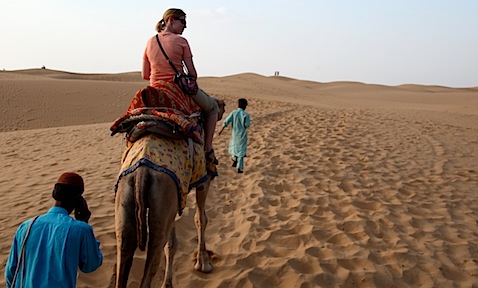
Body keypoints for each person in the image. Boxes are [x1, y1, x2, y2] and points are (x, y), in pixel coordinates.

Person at [142, 8, 219, 164]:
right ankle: (208, 149)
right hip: (176, 90)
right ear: (171, 19)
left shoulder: (150, 41)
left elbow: (145, 75)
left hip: (154, 91)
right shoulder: (181, 41)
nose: (185, 26)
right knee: (213, 108)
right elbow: (193, 74)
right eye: (182, 21)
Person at [5, 172, 103, 288]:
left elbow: (11, 272)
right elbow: (90, 265)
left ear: (54, 194)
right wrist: (84, 221)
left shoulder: (25, 226)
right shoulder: (81, 229)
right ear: (79, 200)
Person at [219, 98, 251, 173]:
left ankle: (234, 160)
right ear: (245, 106)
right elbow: (247, 125)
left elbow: (226, 121)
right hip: (242, 135)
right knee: (241, 151)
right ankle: (239, 168)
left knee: (234, 147)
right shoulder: (245, 114)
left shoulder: (233, 113)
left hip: (234, 134)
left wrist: (221, 130)